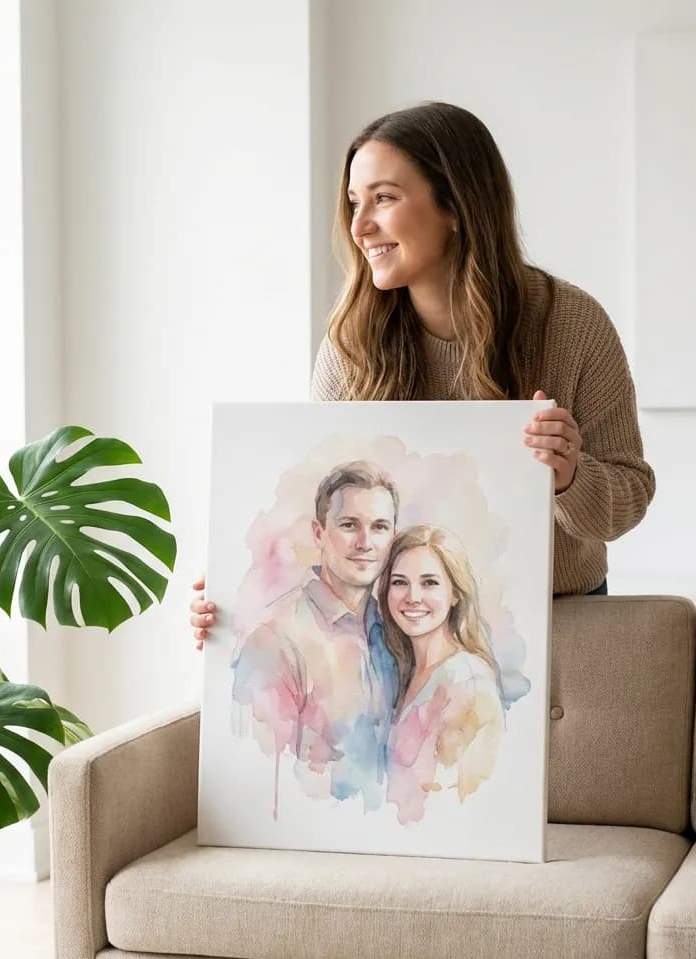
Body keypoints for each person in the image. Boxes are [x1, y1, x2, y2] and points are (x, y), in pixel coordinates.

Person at [191, 101, 654, 631]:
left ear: (456, 205)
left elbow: (629, 501)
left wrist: (569, 475)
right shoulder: (350, 346)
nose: (360, 226)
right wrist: (240, 590)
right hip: (404, 625)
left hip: (559, 619)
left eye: (384, 198)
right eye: (353, 202)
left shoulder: (571, 324)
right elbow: (321, 515)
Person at [230, 462, 399, 816]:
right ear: (319, 533)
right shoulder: (273, 638)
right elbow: (260, 794)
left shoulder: (395, 631)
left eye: (379, 527)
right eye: (349, 525)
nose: (366, 543)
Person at [379, 525, 505, 825]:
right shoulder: (404, 672)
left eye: (429, 583)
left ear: (455, 595)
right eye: (400, 582)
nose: (412, 597)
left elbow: (461, 803)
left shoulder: (465, 679)